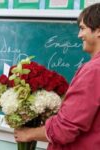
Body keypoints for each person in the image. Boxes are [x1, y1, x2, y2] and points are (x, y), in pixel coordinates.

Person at [14, 3, 100, 150]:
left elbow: (65, 129)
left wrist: (29, 133)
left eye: (82, 28)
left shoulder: (93, 71)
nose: (79, 35)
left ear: (98, 31)